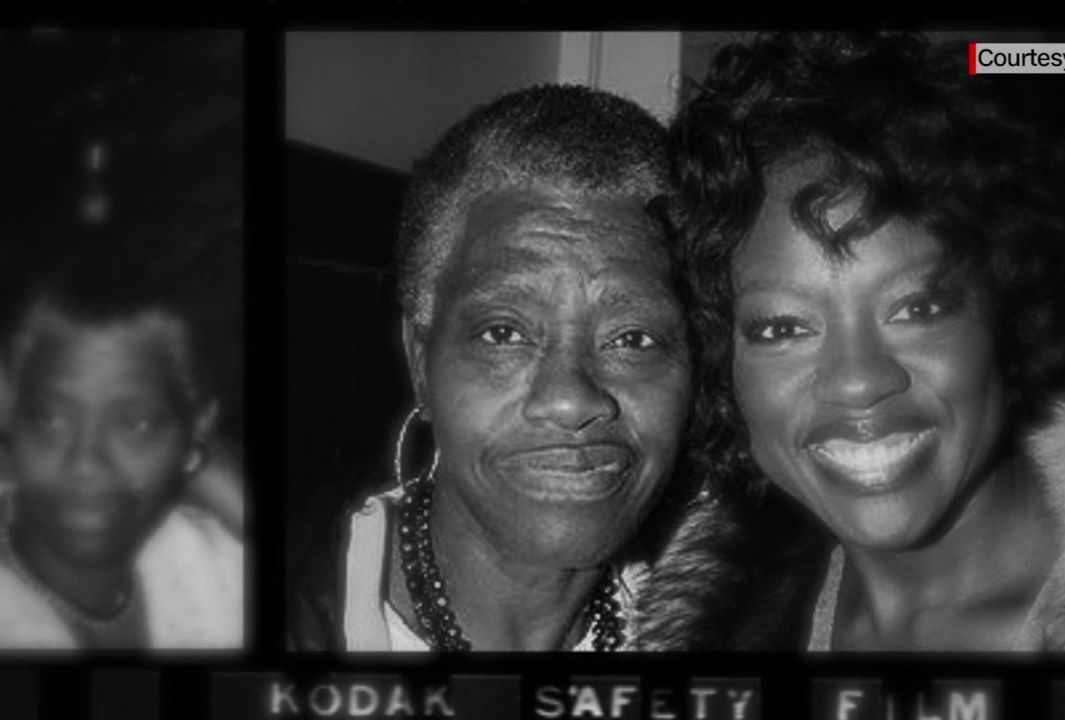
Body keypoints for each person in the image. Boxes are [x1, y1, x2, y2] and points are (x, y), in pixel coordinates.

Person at [635, 32, 1065, 652]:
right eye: (783, 328)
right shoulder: (714, 625)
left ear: (1010, 314)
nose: (858, 379)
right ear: (724, 366)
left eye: (917, 307)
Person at [287, 84, 691, 651]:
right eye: (504, 334)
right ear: (421, 360)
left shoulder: (728, 629)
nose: (571, 400)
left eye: (633, 338)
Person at [0, 247, 243, 650]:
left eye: (134, 424)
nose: (85, 465)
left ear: (198, 427)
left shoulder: (218, 568)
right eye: (49, 419)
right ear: (10, 411)